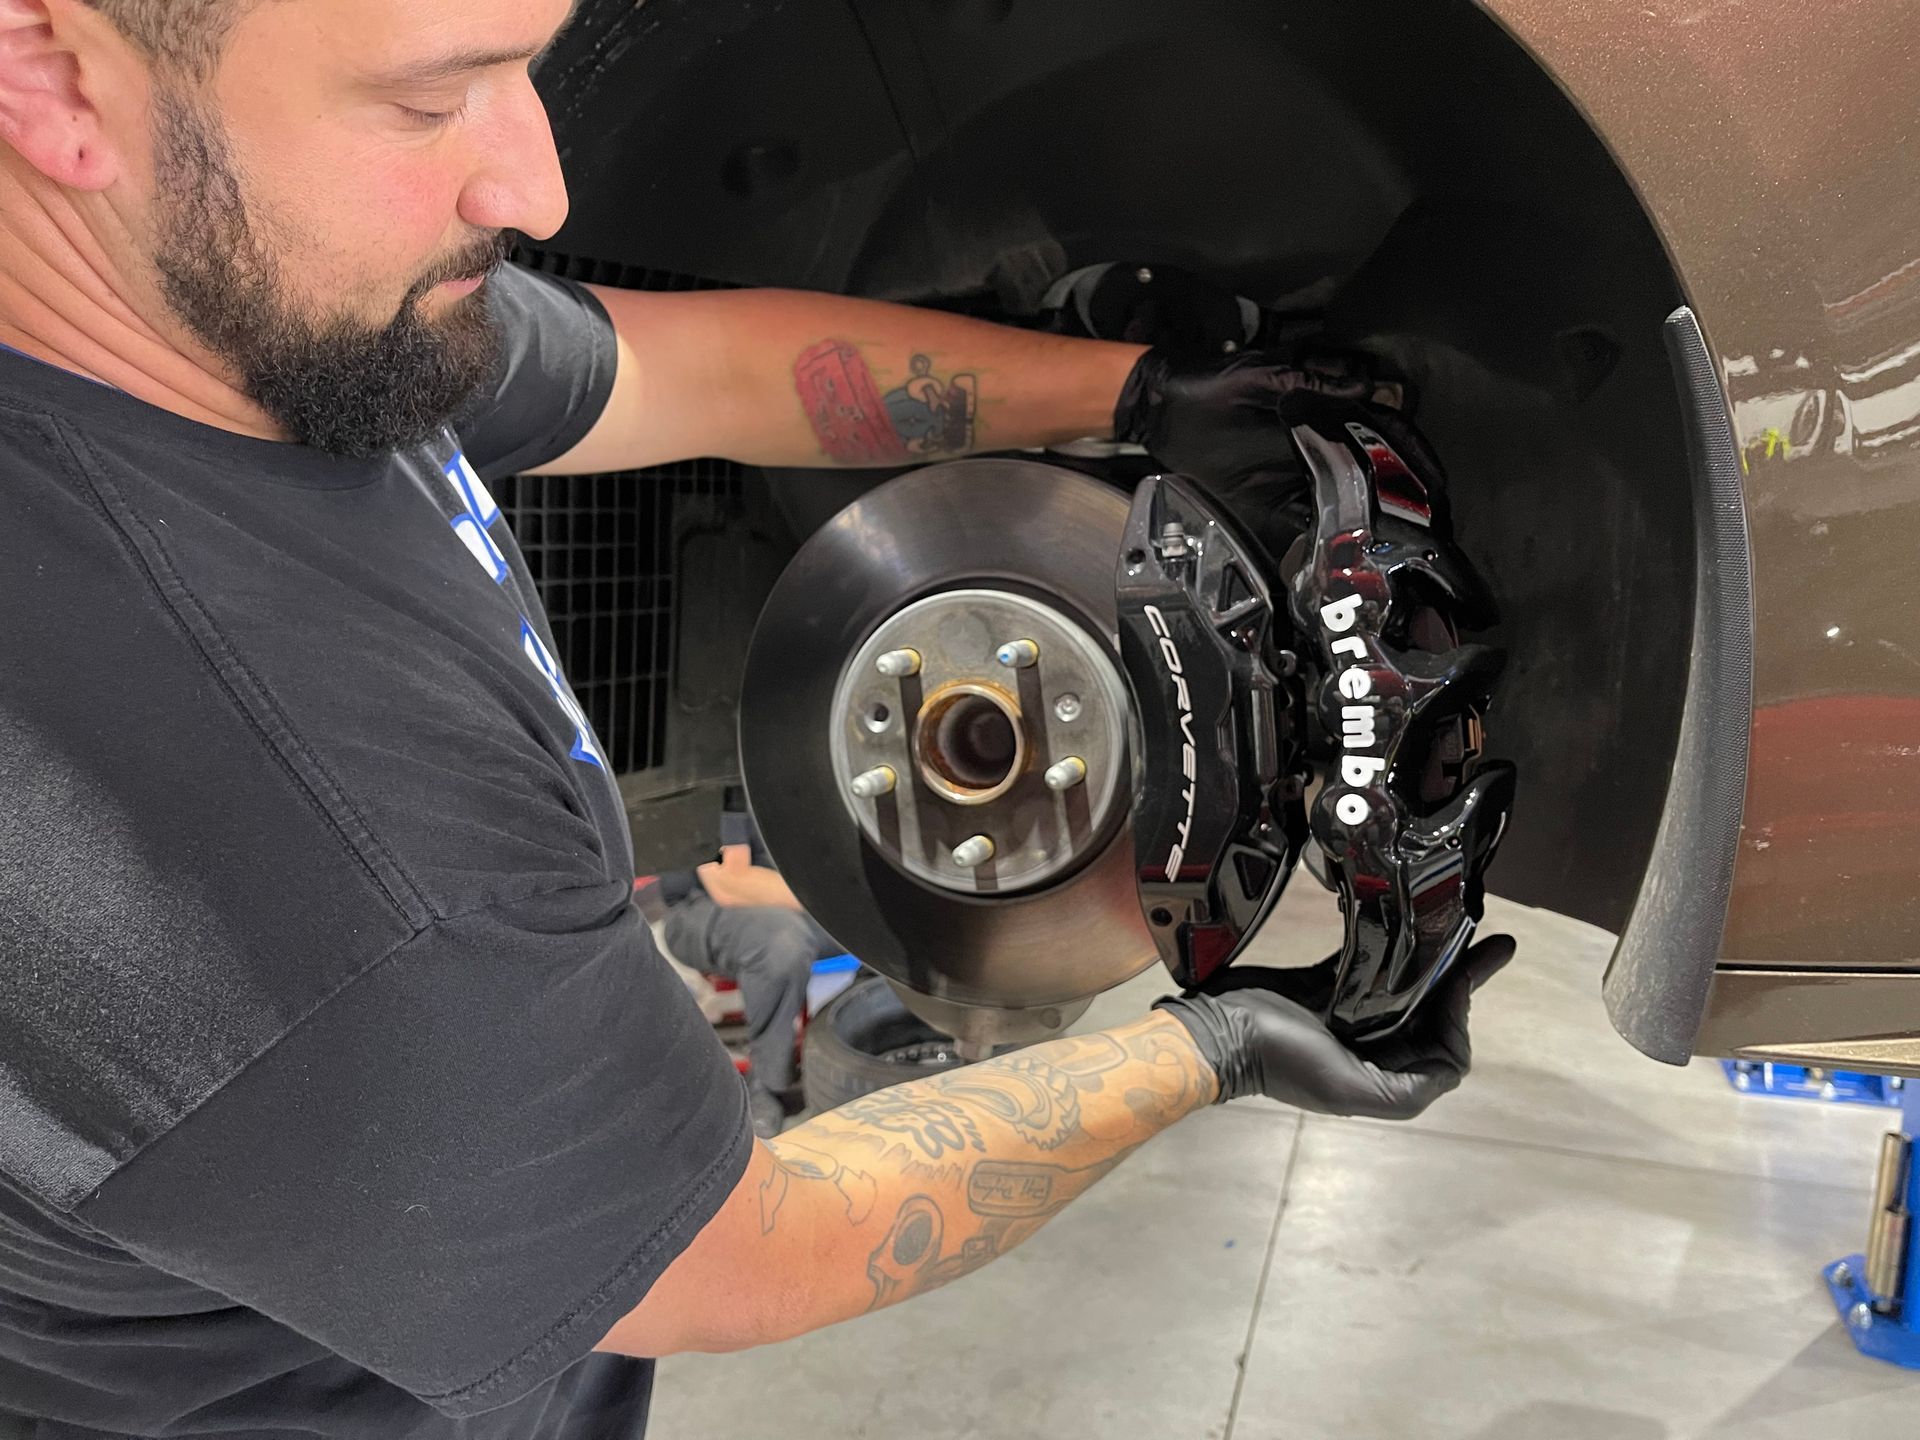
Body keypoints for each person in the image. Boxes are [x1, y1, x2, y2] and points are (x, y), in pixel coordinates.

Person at [0, 2, 1513, 1437]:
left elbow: (672, 368)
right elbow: (731, 1249)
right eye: (427, 94)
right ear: (53, 71)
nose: (531, 177)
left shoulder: (229, 308)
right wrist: (1229, 1045)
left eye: (531, 62)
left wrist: (1141, 393)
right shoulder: (297, 840)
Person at [654, 803, 839, 1139]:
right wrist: (850, 902)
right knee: (782, 941)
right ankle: (767, 1086)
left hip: (801, 907)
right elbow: (731, 882)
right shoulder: (731, 770)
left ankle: (862, 1047)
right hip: (702, 908)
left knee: (898, 928)